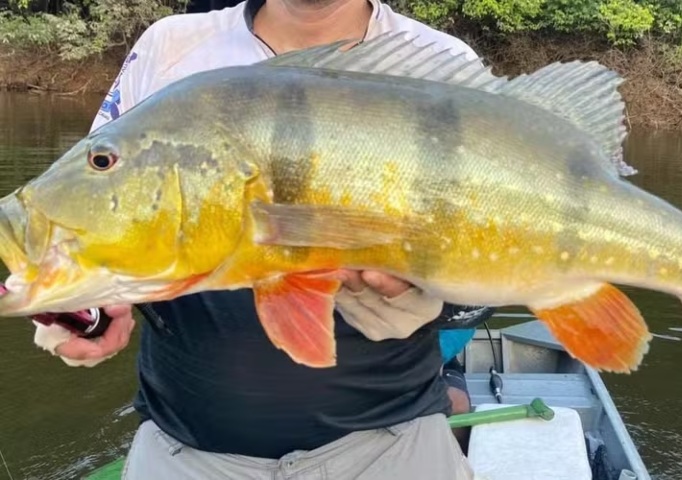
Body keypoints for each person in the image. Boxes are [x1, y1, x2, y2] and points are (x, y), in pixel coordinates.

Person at [31, 1, 495, 479]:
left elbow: (488, 273)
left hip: (394, 447)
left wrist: (429, 295)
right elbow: (94, 207)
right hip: (185, 452)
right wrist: (84, 304)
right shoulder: (169, 47)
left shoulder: (444, 65)